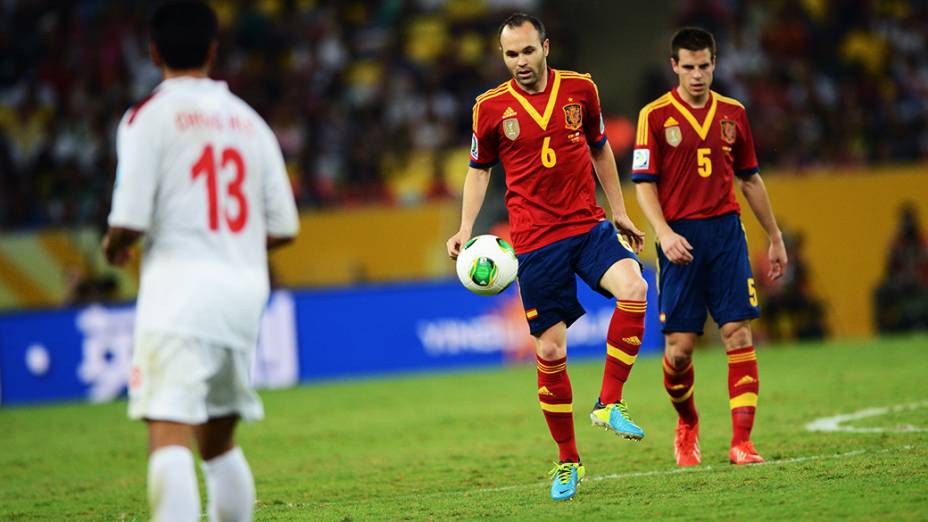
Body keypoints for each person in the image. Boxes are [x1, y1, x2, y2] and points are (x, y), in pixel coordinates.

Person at [102, 2, 299, 520]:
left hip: (178, 295)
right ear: (214, 50)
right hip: (241, 296)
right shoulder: (250, 122)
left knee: (169, 433)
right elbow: (283, 226)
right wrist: (228, 245)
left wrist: (113, 244)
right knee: (218, 443)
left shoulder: (147, 118)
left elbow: (130, 217)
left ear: (153, 51)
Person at [446, 13, 649, 501]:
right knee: (550, 351)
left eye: (527, 51)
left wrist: (618, 211)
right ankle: (568, 461)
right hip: (535, 242)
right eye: (511, 54)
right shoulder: (489, 108)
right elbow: (479, 172)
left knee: (636, 288)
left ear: (546, 47)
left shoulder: (581, 90)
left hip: (587, 225)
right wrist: (465, 228)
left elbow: (601, 150)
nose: (520, 62)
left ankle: (609, 403)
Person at [632, 27, 787, 468]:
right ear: (674, 66)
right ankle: (688, 424)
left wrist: (774, 236)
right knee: (679, 350)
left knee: (737, 333)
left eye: (705, 66)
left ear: (714, 64)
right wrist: (662, 232)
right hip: (679, 239)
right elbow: (644, 185)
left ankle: (742, 442)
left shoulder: (734, 114)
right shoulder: (655, 116)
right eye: (689, 66)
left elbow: (750, 179)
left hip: (725, 235)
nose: (698, 75)